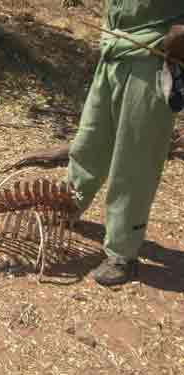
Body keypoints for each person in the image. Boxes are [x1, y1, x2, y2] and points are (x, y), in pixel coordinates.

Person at [67, 1, 184, 286]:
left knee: (133, 161)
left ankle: (122, 253)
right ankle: (67, 208)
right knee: (89, 142)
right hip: (113, 50)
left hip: (152, 59)